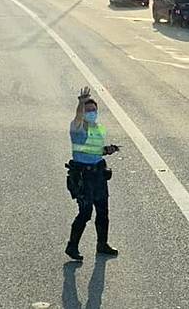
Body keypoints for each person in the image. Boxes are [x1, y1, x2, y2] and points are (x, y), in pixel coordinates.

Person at [65, 86, 120, 260]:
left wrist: (108, 150)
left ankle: (102, 244)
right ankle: (72, 246)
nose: (91, 113)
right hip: (83, 176)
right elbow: (78, 117)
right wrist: (81, 103)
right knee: (85, 212)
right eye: (88, 110)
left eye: (94, 110)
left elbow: (95, 150)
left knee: (103, 212)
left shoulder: (98, 128)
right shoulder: (77, 127)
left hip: (98, 175)